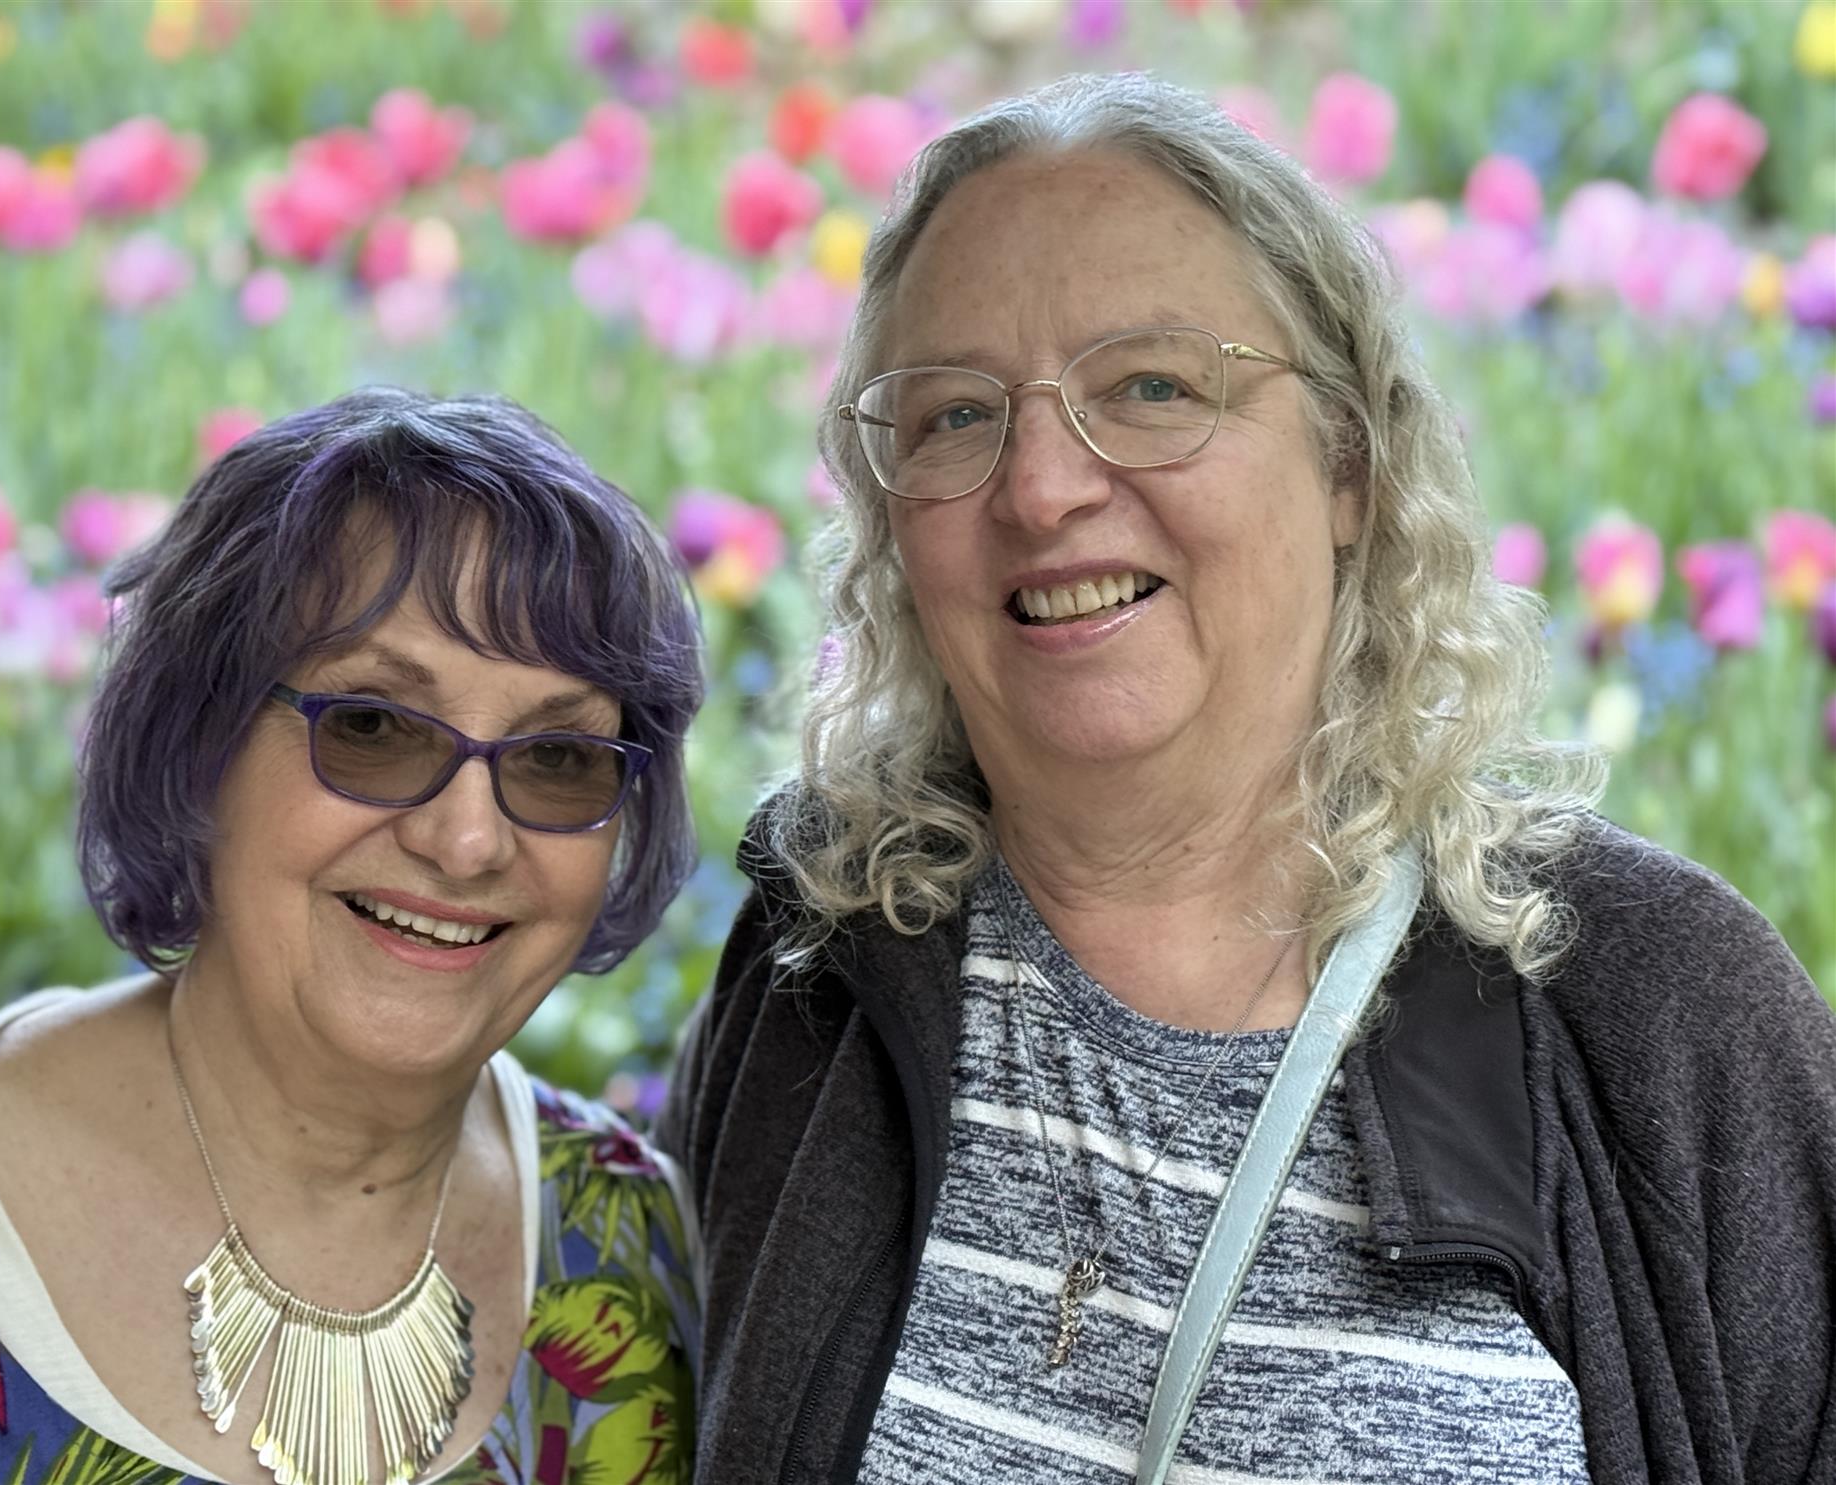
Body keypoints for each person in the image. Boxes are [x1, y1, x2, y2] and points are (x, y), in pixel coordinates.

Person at [655, 72, 1836, 1485]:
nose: (1040, 489)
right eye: (956, 416)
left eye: (1153, 386)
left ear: (1349, 461)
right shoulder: (824, 960)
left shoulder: (1658, 1014)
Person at [0, 388, 706, 1485]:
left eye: (558, 758)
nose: (467, 841)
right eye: (374, 726)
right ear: (196, 743)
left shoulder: (643, 1242)